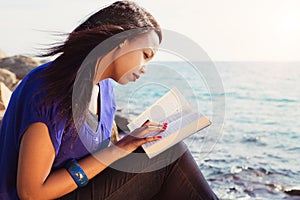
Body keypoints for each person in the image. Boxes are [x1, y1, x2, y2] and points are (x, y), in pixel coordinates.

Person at [0, 1, 219, 199]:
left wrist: (133, 143)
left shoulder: (105, 89)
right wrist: (120, 148)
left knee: (162, 155)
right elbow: (31, 193)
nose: (145, 69)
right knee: (170, 154)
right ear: (120, 41)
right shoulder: (49, 87)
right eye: (145, 54)